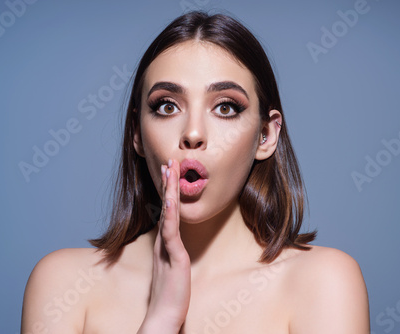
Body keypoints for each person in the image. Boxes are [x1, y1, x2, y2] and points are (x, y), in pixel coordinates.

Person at [21, 10, 369, 333]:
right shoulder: (63, 284)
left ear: (266, 135)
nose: (193, 133)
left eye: (226, 107)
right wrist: (160, 320)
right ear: (137, 135)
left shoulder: (323, 283)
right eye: (167, 106)